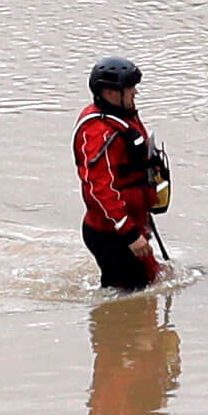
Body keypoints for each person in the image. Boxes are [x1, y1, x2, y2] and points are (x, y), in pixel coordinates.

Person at [73, 57, 171, 289]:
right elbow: (100, 190)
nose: (135, 92)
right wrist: (129, 235)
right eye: (130, 88)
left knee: (153, 281)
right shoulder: (97, 132)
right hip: (112, 233)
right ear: (110, 93)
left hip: (133, 222)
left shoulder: (123, 118)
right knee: (136, 304)